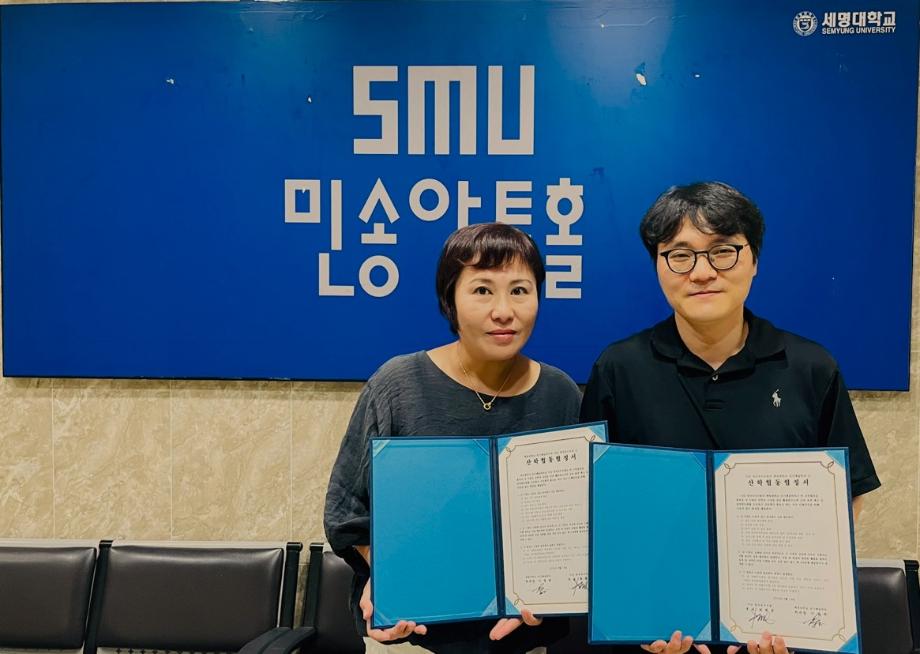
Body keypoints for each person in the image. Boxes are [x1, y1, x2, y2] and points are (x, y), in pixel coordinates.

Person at [580, 181, 880, 654]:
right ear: (658, 266)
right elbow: (596, 505)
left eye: (723, 251)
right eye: (680, 255)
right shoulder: (619, 368)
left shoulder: (810, 366)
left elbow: (847, 492)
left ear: (754, 260)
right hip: (658, 624)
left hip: (776, 630)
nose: (702, 273)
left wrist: (796, 604)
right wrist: (637, 614)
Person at [324, 222, 582, 654]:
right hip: (413, 635)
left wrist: (554, 588)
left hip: (523, 640)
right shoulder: (398, 385)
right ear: (450, 300)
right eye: (482, 290)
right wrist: (392, 573)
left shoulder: (560, 394)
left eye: (520, 290)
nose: (504, 310)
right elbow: (345, 513)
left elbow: (578, 520)